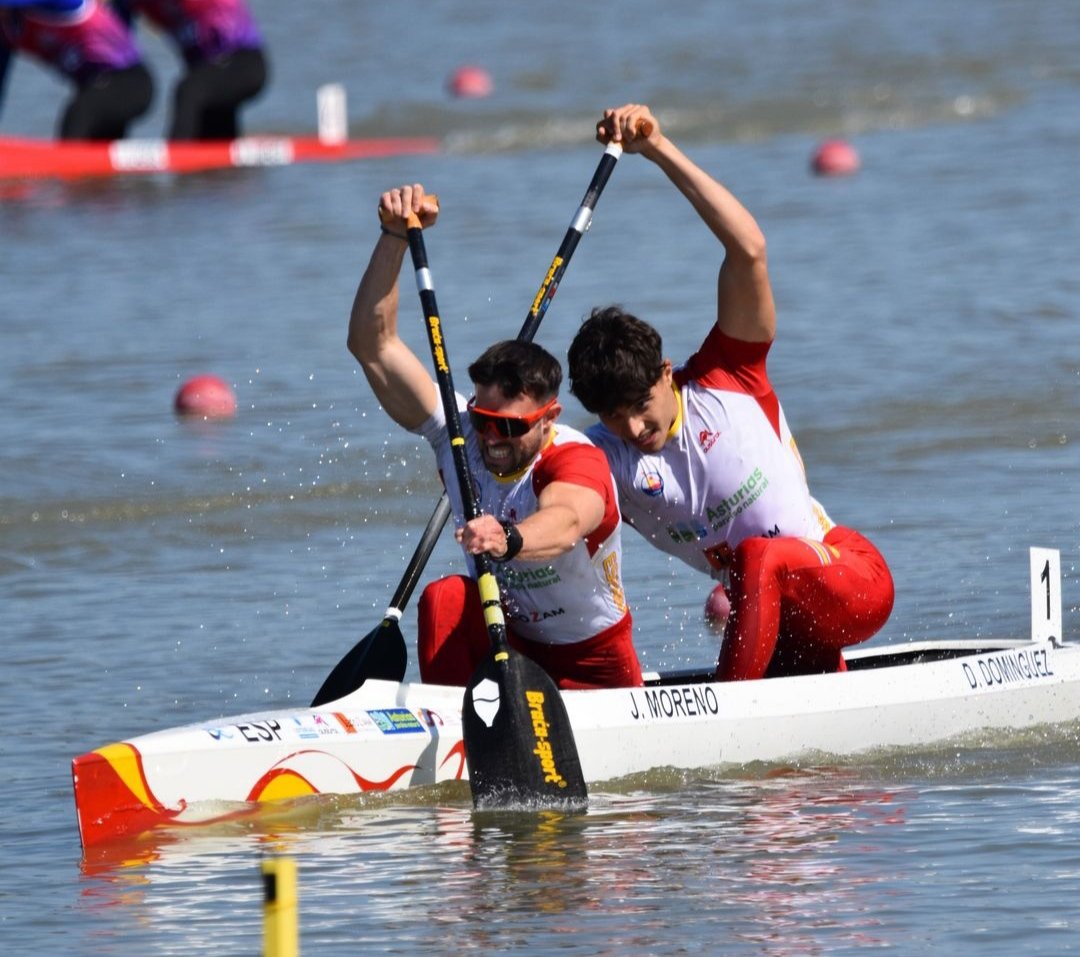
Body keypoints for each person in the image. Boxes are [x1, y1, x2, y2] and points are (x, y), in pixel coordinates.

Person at [567, 103, 895, 682]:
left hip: (849, 576)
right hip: (777, 625)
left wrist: (659, 148)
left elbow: (747, 250)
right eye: (614, 419)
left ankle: (727, 706)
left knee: (757, 558)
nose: (634, 431)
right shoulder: (602, 456)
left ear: (667, 373)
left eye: (642, 408)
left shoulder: (729, 375)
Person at [347, 183, 642, 691]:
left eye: (510, 426)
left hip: (593, 665)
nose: (492, 437)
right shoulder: (459, 434)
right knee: (444, 597)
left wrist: (508, 539)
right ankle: (454, 737)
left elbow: (569, 521)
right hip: (509, 644)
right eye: (484, 419)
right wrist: (393, 236)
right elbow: (371, 344)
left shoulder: (574, 457)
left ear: (549, 418)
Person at [113, 0, 267, 141]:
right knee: (214, 135)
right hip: (207, 73)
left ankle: (173, 164)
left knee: (189, 91)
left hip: (243, 64)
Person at [0, 0, 152, 140]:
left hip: (130, 85)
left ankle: (63, 167)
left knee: (78, 114)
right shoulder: (7, 29)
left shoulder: (62, 4)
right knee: (96, 157)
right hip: (91, 90)